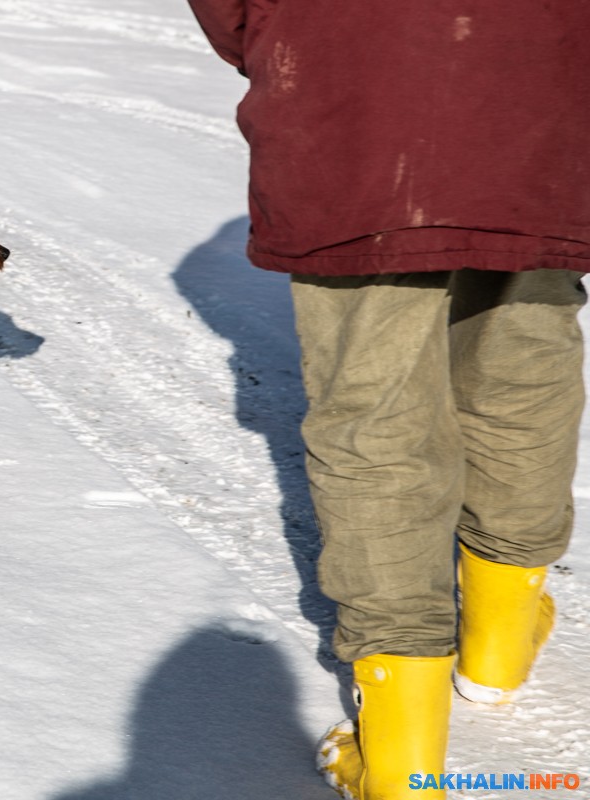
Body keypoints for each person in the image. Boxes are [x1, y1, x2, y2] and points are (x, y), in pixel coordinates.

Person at [183, 2, 590, 798]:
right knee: (523, 357)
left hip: (353, 90)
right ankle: (499, 645)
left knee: (376, 411)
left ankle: (403, 763)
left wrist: (295, 40)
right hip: (548, 76)